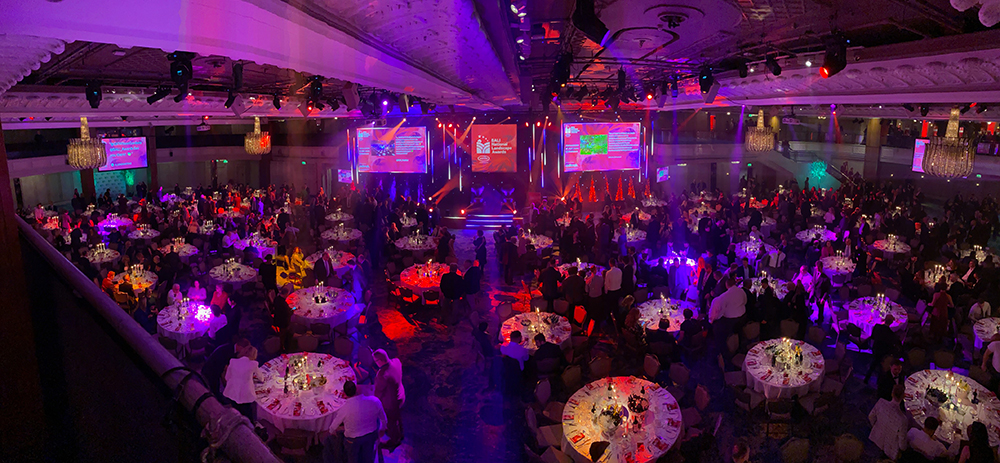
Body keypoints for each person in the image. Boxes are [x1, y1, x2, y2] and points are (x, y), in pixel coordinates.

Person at [327, 381, 387, 463]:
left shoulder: (344, 409)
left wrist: (331, 431)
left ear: (345, 394)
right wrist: (381, 429)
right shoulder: (375, 401)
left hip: (352, 440)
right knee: (367, 458)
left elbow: (333, 426)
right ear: (356, 389)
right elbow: (384, 419)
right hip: (370, 435)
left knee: (352, 459)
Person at [373, 349, 405, 450]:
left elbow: (378, 392)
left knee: (391, 421)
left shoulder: (382, 375)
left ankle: (395, 440)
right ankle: (400, 432)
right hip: (400, 395)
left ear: (379, 361)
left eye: (375, 361)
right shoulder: (396, 361)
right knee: (397, 416)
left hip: (391, 403)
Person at [222, 340, 259, 421]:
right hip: (245, 394)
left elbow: (227, 378)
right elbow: (261, 378)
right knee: (248, 413)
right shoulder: (253, 364)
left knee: (237, 412)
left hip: (232, 392)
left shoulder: (232, 361)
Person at [868, 384, 908, 460]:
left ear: (892, 393)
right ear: (903, 397)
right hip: (890, 448)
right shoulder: (903, 419)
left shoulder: (881, 402)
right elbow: (902, 444)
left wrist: (876, 426)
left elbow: (871, 417)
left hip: (877, 436)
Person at [709, 278, 747, 357]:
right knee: (739, 334)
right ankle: (740, 347)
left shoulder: (723, 296)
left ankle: (724, 353)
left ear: (726, 285)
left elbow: (719, 313)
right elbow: (745, 301)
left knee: (719, 330)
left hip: (730, 321)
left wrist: (712, 320)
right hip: (742, 318)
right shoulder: (742, 291)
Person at [864, 315, 901, 384]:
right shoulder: (891, 334)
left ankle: (867, 378)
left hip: (875, 348)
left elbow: (873, 337)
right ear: (891, 323)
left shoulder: (877, 327)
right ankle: (878, 381)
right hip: (883, 353)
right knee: (878, 366)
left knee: (874, 364)